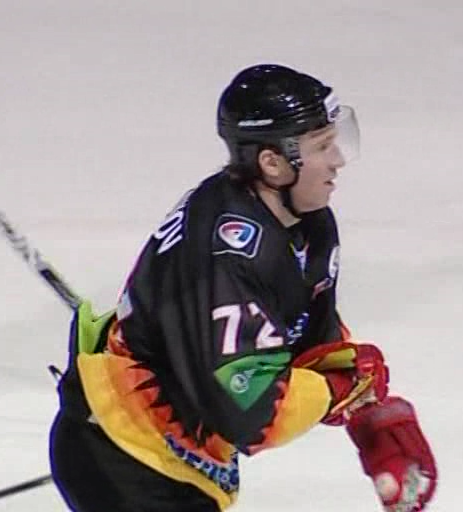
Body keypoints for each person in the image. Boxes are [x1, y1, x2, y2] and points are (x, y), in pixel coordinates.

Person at [49, 63, 437, 512]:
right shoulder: (227, 253)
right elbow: (251, 414)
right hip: (123, 458)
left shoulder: (307, 223)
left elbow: (309, 336)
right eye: (321, 147)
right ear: (272, 163)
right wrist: (337, 389)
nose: (338, 160)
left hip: (173, 460)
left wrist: (367, 409)